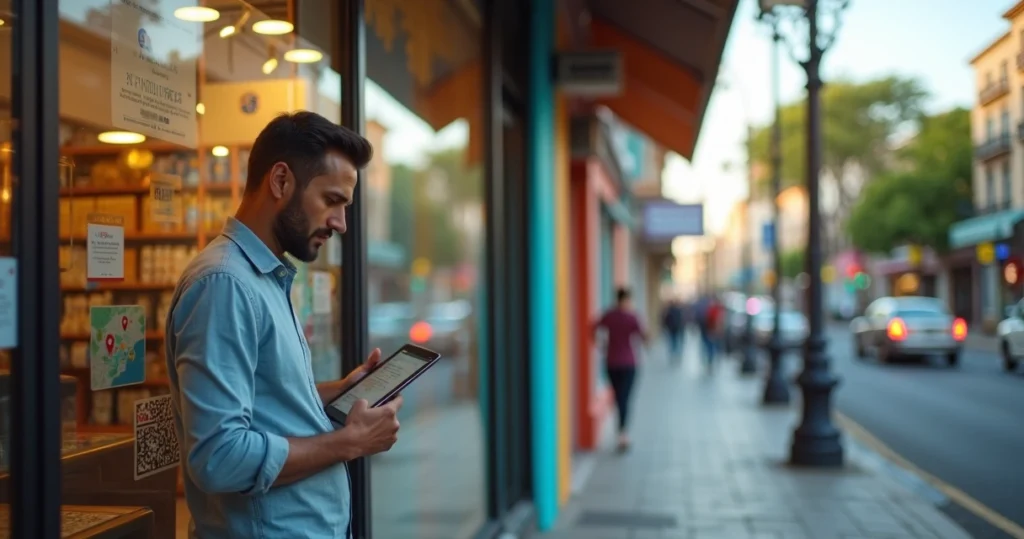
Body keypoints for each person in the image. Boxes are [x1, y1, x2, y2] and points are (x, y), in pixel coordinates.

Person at [165, 111, 400, 539]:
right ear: (280, 181)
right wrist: (351, 442)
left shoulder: (262, 277)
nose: (341, 224)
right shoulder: (225, 285)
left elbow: (264, 401)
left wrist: (340, 390)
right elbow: (218, 458)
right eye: (332, 201)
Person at [593, 287, 648, 452]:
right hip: (629, 363)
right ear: (627, 300)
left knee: (619, 398)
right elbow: (645, 337)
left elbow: (594, 328)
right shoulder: (632, 317)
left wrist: (602, 345)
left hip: (611, 362)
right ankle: (623, 434)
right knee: (624, 398)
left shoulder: (609, 315)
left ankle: (621, 432)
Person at [661, 297, 685, 364]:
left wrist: (665, 326)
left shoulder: (669, 311)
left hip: (671, 329)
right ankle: (677, 355)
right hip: (677, 328)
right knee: (676, 342)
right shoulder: (679, 311)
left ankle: (673, 355)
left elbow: (665, 320)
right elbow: (681, 320)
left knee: (672, 342)